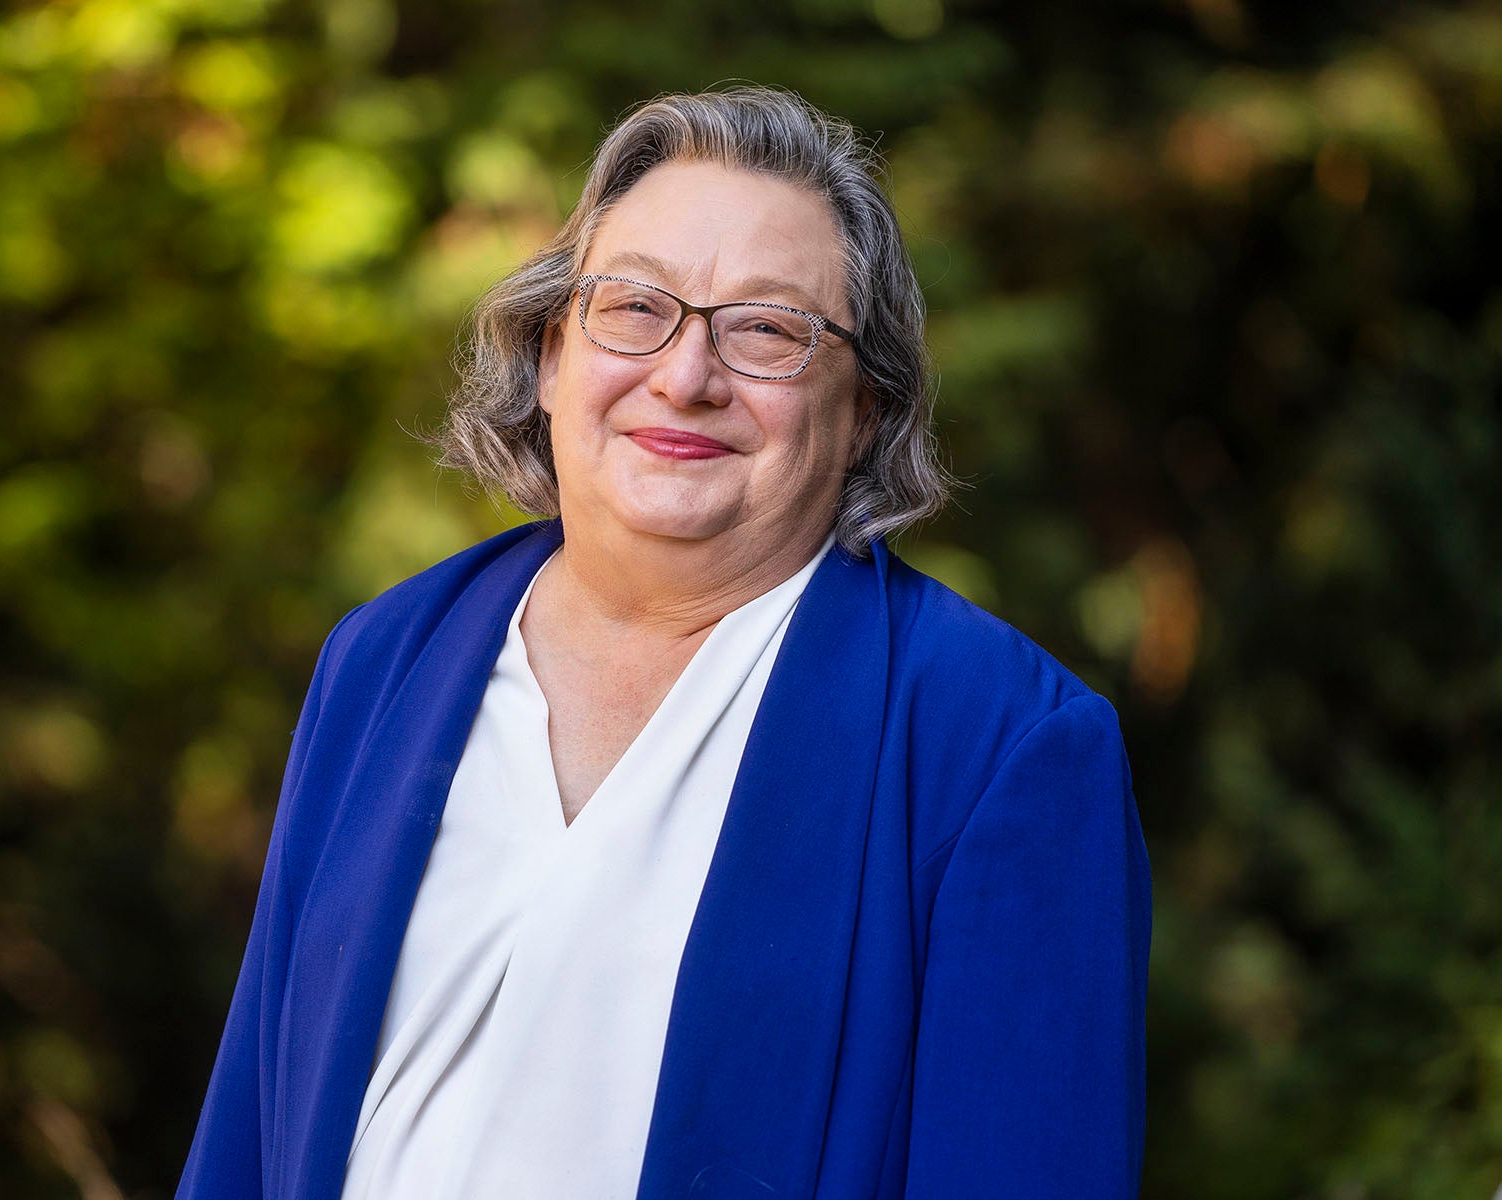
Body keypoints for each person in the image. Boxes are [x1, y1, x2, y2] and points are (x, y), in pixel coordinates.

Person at [176, 86, 1151, 1200]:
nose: (685, 377)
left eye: (768, 330)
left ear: (866, 410)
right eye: (635, 308)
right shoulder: (387, 661)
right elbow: (251, 1133)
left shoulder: (996, 745)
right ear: (550, 357)